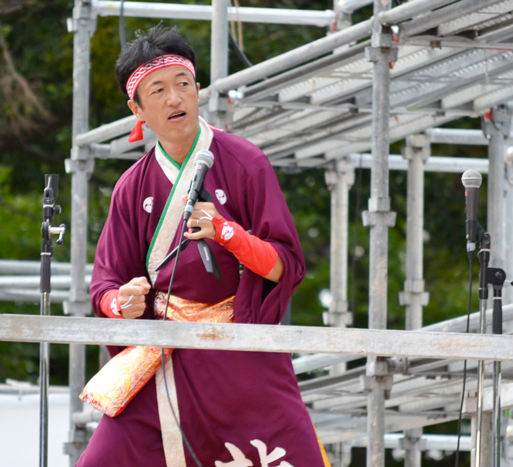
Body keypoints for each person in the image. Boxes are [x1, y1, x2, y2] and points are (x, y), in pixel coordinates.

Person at [77, 25, 329, 467]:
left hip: (238, 351)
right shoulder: (131, 188)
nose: (175, 99)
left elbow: (286, 266)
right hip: (164, 356)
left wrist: (228, 233)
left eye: (183, 84)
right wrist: (124, 303)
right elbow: (104, 287)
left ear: (198, 89)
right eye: (157, 90)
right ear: (136, 108)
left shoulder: (245, 162)